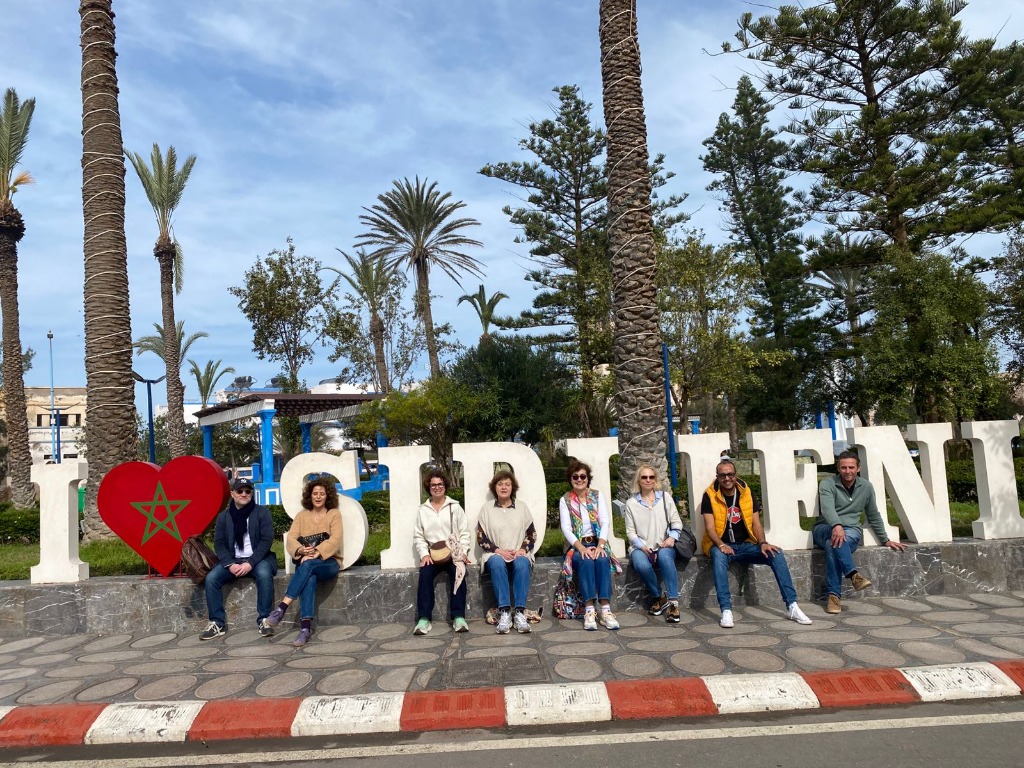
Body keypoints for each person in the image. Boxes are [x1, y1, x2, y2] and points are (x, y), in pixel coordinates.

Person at [701, 459, 812, 628]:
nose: (727, 478)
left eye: (730, 474)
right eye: (722, 475)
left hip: (745, 544)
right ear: (717, 477)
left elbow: (756, 523)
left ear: (736, 475)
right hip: (720, 544)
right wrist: (722, 545)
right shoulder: (709, 495)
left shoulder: (746, 493)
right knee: (718, 556)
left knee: (776, 553)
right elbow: (709, 527)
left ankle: (792, 606)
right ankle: (726, 610)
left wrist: (763, 542)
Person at [815, 450, 907, 614]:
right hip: (825, 528)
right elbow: (827, 509)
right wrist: (836, 525)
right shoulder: (827, 484)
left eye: (851, 467)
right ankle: (853, 575)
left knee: (833, 545)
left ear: (858, 468)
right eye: (844, 468)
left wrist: (885, 539)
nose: (847, 471)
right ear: (838, 468)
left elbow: (873, 514)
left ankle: (833, 598)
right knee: (833, 538)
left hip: (850, 530)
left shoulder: (866, 486)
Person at [264, 476, 343, 646]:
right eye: (315, 493)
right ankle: (305, 629)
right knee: (310, 576)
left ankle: (281, 609)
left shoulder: (334, 514)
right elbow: (291, 538)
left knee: (308, 566)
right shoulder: (301, 516)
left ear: (328, 496)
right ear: (310, 496)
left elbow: (336, 540)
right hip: (308, 563)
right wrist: (300, 550)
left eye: (322, 493)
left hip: (329, 563)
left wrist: (317, 552)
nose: (319, 496)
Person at [201, 477, 278, 640]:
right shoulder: (224, 516)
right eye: (240, 491)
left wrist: (250, 563)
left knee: (264, 575)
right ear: (232, 493)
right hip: (233, 560)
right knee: (211, 579)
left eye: (247, 491)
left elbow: (266, 540)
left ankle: (265, 620)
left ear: (252, 493)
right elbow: (219, 544)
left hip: (258, 559)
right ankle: (217, 622)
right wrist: (229, 564)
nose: (244, 494)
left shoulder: (262, 512)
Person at [559, 458, 621, 631]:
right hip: (577, 546)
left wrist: (600, 546)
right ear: (570, 479)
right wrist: (582, 548)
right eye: (575, 477)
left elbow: (605, 521)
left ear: (588, 478)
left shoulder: (596, 495)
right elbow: (566, 528)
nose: (579, 480)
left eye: (583, 476)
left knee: (601, 560)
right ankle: (589, 610)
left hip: (597, 542)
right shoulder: (565, 500)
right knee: (585, 561)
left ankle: (606, 610)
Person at [623, 463, 685, 623]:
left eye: (651, 477)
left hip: (664, 545)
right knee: (640, 564)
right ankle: (659, 596)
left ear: (655, 479)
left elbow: (677, 522)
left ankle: (673, 603)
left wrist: (671, 538)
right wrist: (643, 547)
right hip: (641, 546)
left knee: (665, 556)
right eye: (644, 477)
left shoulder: (665, 498)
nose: (648, 480)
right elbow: (630, 532)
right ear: (639, 480)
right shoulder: (631, 504)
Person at [477, 470, 537, 634]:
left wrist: (522, 549)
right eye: (500, 484)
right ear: (494, 487)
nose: (504, 487)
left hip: (518, 553)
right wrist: (499, 551)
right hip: (495, 553)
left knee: (523, 562)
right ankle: (504, 612)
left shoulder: (522, 507)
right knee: (496, 562)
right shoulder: (487, 509)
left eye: (507, 484)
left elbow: (531, 534)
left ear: (513, 487)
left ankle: (519, 613)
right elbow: (481, 538)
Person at [413, 469, 472, 635]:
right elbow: (418, 536)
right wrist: (424, 554)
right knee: (425, 575)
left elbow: (465, 532)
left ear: (445, 486)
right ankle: (424, 619)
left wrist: (463, 552)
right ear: (428, 487)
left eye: (440, 484)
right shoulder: (422, 510)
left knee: (458, 573)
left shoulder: (455, 507)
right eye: (433, 485)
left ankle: (459, 617)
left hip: (453, 553)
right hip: (433, 554)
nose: (437, 487)